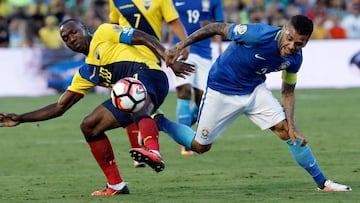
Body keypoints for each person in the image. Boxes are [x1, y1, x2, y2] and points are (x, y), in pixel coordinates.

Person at [141, 15, 353, 192]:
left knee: (287, 133)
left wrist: (293, 125)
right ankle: (158, 119)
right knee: (199, 146)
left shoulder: (295, 59)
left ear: (306, 42)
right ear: (284, 29)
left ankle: (323, 183)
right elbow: (216, 27)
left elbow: (288, 91)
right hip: (221, 88)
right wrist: (180, 45)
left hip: (253, 90)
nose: (291, 46)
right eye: (290, 38)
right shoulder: (257, 33)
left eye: (299, 43)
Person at [0, 19, 194, 196]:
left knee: (131, 93)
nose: (71, 39)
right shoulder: (86, 72)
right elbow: (59, 107)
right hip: (129, 94)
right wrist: (20, 118)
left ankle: (153, 151)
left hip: (150, 76)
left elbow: (142, 36)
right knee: (90, 125)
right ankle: (116, 185)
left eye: (73, 32)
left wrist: (168, 59)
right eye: (66, 38)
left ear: (84, 29)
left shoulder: (104, 32)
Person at [108, 0, 190, 164]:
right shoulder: (115, 1)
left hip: (150, 59)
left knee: (138, 104)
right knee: (128, 103)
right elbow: (113, 28)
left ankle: (149, 144)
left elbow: (174, 21)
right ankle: (142, 151)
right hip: (123, 58)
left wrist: (184, 44)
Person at [168, 0, 225, 155]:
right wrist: (169, 47)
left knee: (202, 100)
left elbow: (221, 25)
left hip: (204, 54)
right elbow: (172, 22)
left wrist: (219, 46)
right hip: (181, 50)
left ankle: (184, 125)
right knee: (184, 91)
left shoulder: (214, 2)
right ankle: (185, 143)